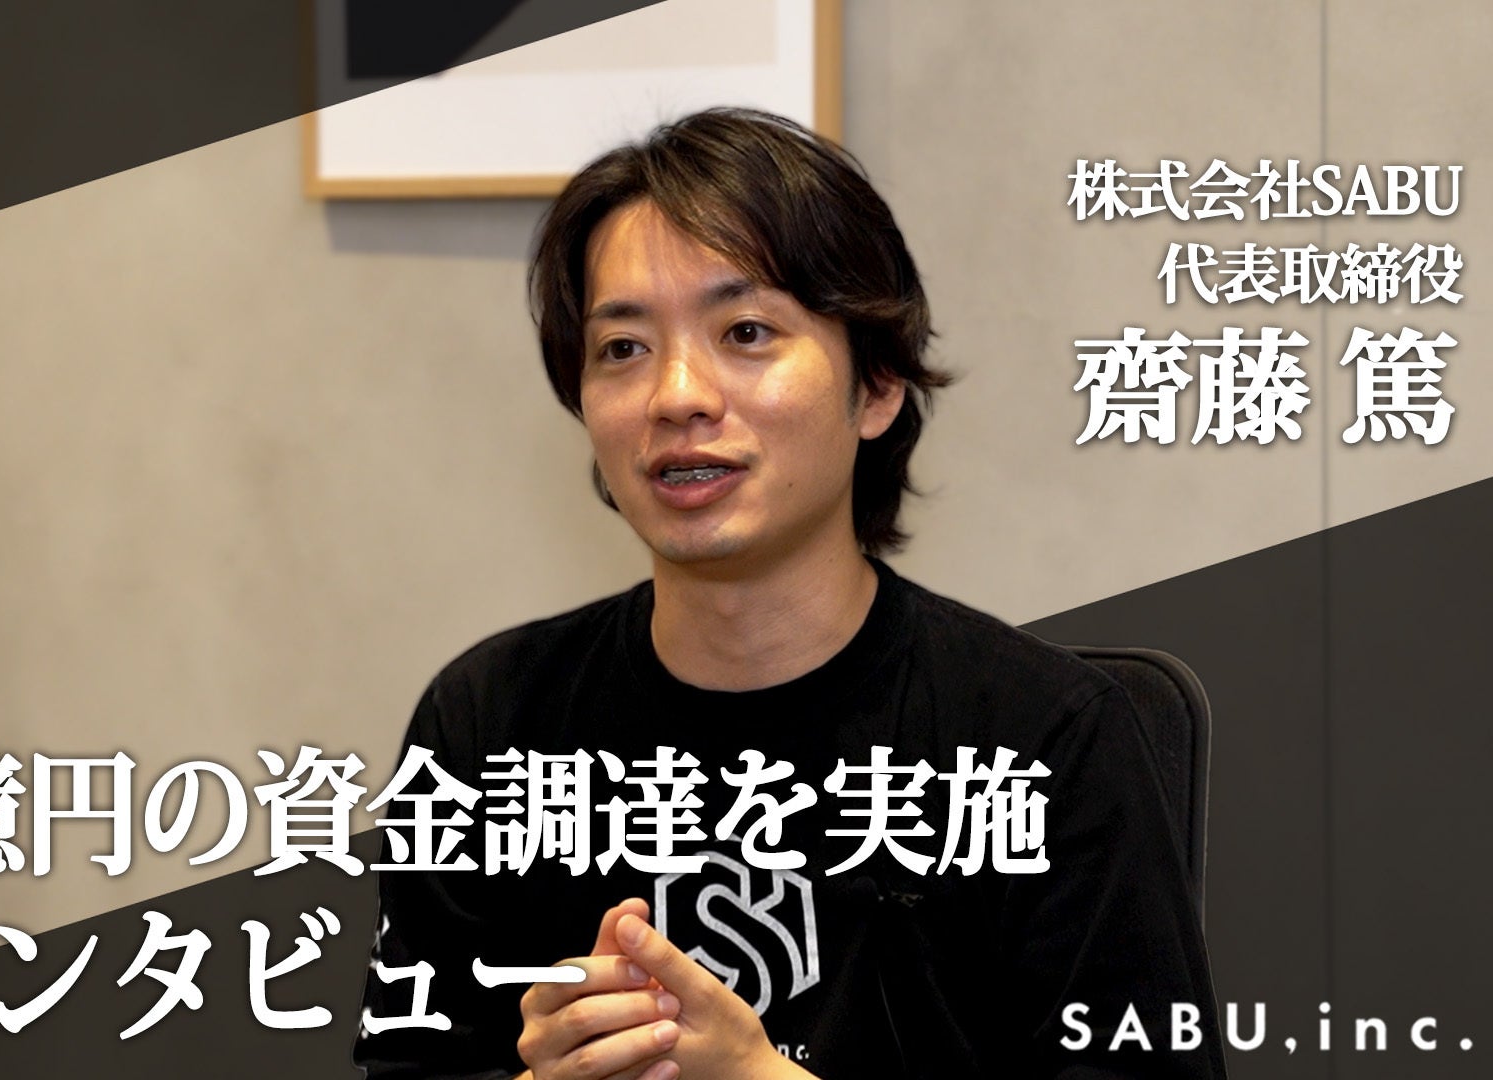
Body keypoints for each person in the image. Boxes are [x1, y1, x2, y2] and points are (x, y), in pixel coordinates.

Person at [354, 108, 1224, 1080]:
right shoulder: (488, 724)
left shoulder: (1048, 740)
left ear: (876, 386)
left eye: (746, 331)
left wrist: (754, 1075)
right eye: (623, 348)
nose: (677, 396)